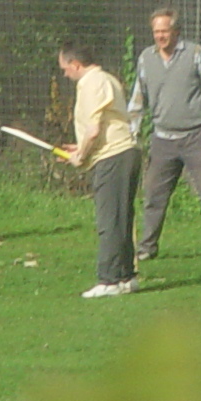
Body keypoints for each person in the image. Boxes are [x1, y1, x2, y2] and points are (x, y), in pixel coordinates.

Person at [128, 9, 201, 264]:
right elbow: (138, 100)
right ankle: (146, 247)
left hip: (196, 138)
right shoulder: (146, 58)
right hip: (162, 140)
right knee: (153, 196)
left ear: (176, 31)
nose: (160, 36)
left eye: (165, 31)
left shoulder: (195, 54)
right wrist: (132, 131)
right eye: (156, 31)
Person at [58, 40, 139, 297]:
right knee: (122, 218)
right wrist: (79, 148)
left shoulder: (90, 83)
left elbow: (93, 130)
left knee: (109, 219)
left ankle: (109, 281)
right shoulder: (106, 79)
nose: (64, 74)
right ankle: (126, 277)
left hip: (113, 157)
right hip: (124, 153)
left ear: (75, 64)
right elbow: (101, 126)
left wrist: (80, 156)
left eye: (65, 68)